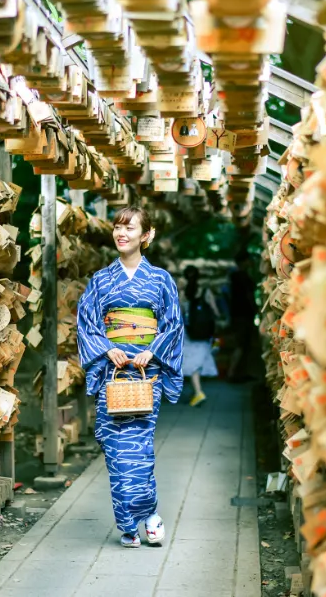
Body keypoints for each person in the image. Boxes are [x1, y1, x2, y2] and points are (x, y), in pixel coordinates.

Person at [77, 206, 184, 548]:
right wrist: (107, 349)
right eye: (117, 227)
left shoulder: (161, 280)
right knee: (114, 448)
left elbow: (173, 324)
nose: (121, 234)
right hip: (112, 371)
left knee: (138, 448)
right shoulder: (100, 280)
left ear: (146, 235)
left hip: (144, 373)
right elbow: (87, 323)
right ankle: (127, 524)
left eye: (129, 228)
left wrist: (153, 350)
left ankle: (149, 515)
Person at [181, 265, 221, 407]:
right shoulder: (206, 292)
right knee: (196, 363)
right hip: (204, 333)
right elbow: (215, 312)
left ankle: (197, 392)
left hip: (189, 333)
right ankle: (198, 392)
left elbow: (180, 313)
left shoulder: (183, 294)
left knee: (192, 362)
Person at [228, 250, 258, 382]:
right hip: (243, 314)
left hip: (238, 313)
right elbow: (249, 295)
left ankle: (239, 373)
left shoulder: (234, 276)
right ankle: (232, 373)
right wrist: (255, 309)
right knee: (241, 345)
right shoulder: (242, 276)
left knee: (244, 345)